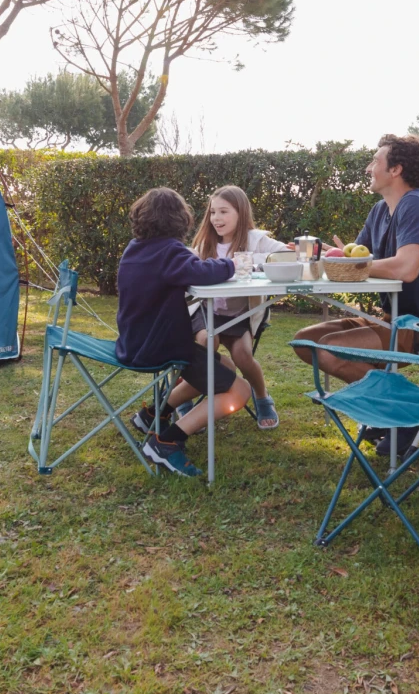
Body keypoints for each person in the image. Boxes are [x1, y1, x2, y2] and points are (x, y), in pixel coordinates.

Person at [291, 134, 419, 457]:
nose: (369, 168)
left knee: (330, 351)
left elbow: (407, 268)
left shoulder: (416, 204)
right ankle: (391, 410)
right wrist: (323, 256)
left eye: (375, 161)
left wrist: (355, 263)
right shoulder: (380, 211)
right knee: (305, 342)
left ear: (396, 170)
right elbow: (354, 260)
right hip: (392, 318)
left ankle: (405, 414)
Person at [114, 187, 251, 477]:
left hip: (133, 342)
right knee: (240, 390)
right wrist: (232, 263)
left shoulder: (135, 247)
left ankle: (152, 414)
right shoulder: (170, 252)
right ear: (180, 220)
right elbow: (202, 272)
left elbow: (190, 270)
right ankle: (166, 441)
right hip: (161, 347)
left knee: (223, 364)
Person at [188, 185, 288, 429]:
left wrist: (254, 261)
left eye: (224, 212)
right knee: (205, 343)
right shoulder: (205, 243)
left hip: (240, 313)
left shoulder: (256, 239)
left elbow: (286, 254)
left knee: (243, 355)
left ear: (240, 213)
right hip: (207, 311)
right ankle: (187, 399)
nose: (216, 219)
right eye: (213, 212)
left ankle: (262, 397)